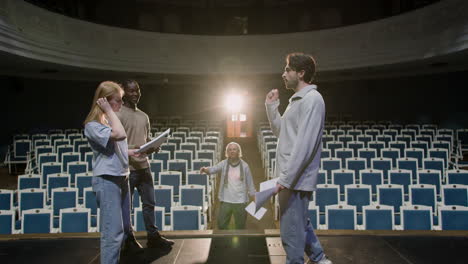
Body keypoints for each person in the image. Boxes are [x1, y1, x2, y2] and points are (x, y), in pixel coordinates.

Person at [265, 53, 332, 264]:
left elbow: (305, 146)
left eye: (288, 69)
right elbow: (281, 132)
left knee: (291, 233)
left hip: (295, 180)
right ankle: (319, 258)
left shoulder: (313, 99)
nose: (283, 74)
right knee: (299, 223)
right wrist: (271, 107)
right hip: (290, 178)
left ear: (301, 73)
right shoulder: (297, 100)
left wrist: (284, 180)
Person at [83, 81, 142, 264]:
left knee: (123, 229)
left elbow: (116, 146)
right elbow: (120, 135)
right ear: (105, 101)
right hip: (107, 180)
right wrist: (108, 109)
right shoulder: (92, 125)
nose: (121, 104)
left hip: (121, 177)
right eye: (118, 101)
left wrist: (131, 152)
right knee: (112, 232)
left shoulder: (109, 121)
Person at [117, 79, 174, 248]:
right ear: (124, 93)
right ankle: (129, 239)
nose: (135, 94)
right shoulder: (118, 114)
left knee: (149, 204)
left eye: (137, 90)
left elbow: (146, 139)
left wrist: (153, 145)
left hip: (144, 167)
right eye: (131, 91)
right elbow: (116, 144)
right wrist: (135, 149)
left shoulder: (144, 116)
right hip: (127, 169)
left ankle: (153, 236)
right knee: (127, 207)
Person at [200, 142, 255, 229]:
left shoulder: (245, 166)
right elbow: (213, 169)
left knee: (240, 227)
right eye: (229, 150)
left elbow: (250, 183)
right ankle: (224, 242)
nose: (232, 151)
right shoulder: (224, 163)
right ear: (227, 152)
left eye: (234, 149)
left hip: (240, 201)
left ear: (238, 152)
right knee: (221, 225)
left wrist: (254, 196)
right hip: (226, 200)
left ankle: (240, 242)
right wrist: (205, 169)